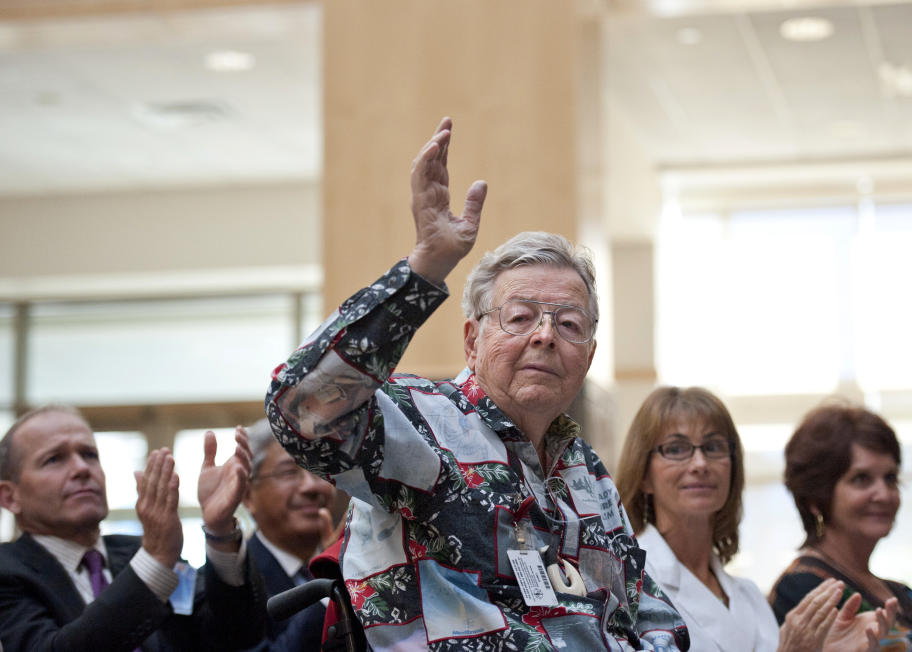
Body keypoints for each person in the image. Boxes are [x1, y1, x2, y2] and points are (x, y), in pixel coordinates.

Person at [265, 117, 690, 650]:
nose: (545, 336)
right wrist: (425, 267)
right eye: (519, 317)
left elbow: (649, 608)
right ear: (472, 339)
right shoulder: (419, 423)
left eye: (569, 324)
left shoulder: (586, 472)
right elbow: (300, 407)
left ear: (588, 357)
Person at [616, 386, 896, 652]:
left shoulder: (748, 596)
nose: (700, 464)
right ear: (644, 475)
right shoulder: (626, 580)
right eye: (676, 449)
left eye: (713, 447)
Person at [0, 405, 267, 652]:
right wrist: (155, 560)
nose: (81, 468)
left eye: (89, 454)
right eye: (54, 459)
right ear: (10, 497)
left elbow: (236, 635)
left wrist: (220, 532)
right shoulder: (8, 571)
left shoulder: (137, 551)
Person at [769, 402, 912, 652]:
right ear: (816, 497)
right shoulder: (805, 590)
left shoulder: (904, 595)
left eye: (890, 478)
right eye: (861, 479)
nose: (884, 494)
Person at [241, 418, 346, 651]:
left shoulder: (354, 568)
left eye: (319, 470)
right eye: (289, 472)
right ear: (248, 496)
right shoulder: (232, 584)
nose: (311, 486)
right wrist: (325, 588)